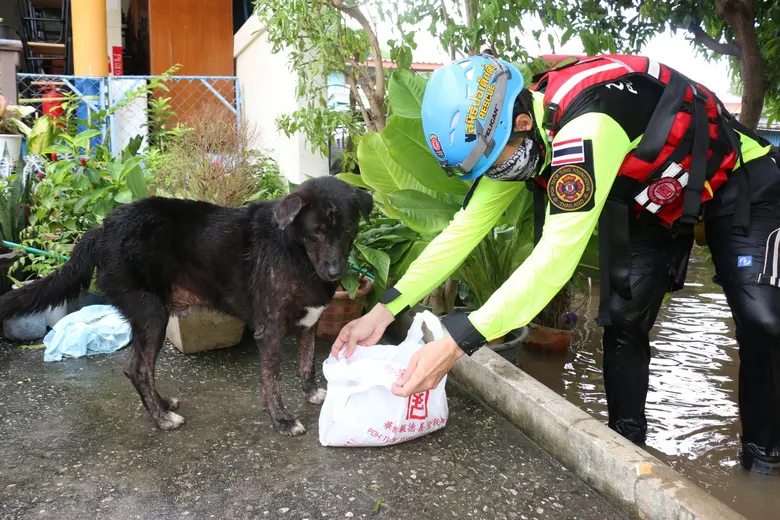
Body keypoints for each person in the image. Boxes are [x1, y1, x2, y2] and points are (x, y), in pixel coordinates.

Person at [330, 53, 780, 474]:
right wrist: (384, 309)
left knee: (763, 319)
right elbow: (461, 232)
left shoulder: (587, 129)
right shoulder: (518, 146)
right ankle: (626, 450)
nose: (496, 177)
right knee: (623, 318)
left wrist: (454, 343)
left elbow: (554, 261)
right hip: (650, 201)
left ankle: (764, 461)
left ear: (522, 121)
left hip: (738, 182)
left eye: (495, 164)